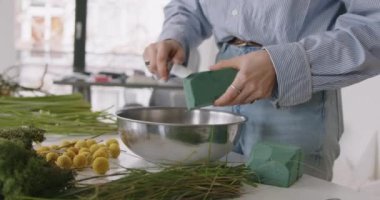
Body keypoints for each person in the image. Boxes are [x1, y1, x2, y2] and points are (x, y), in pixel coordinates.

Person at [143, 1, 380, 180]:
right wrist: (175, 35)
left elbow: (375, 24)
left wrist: (280, 66)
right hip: (220, 92)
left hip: (294, 97)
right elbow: (189, 6)